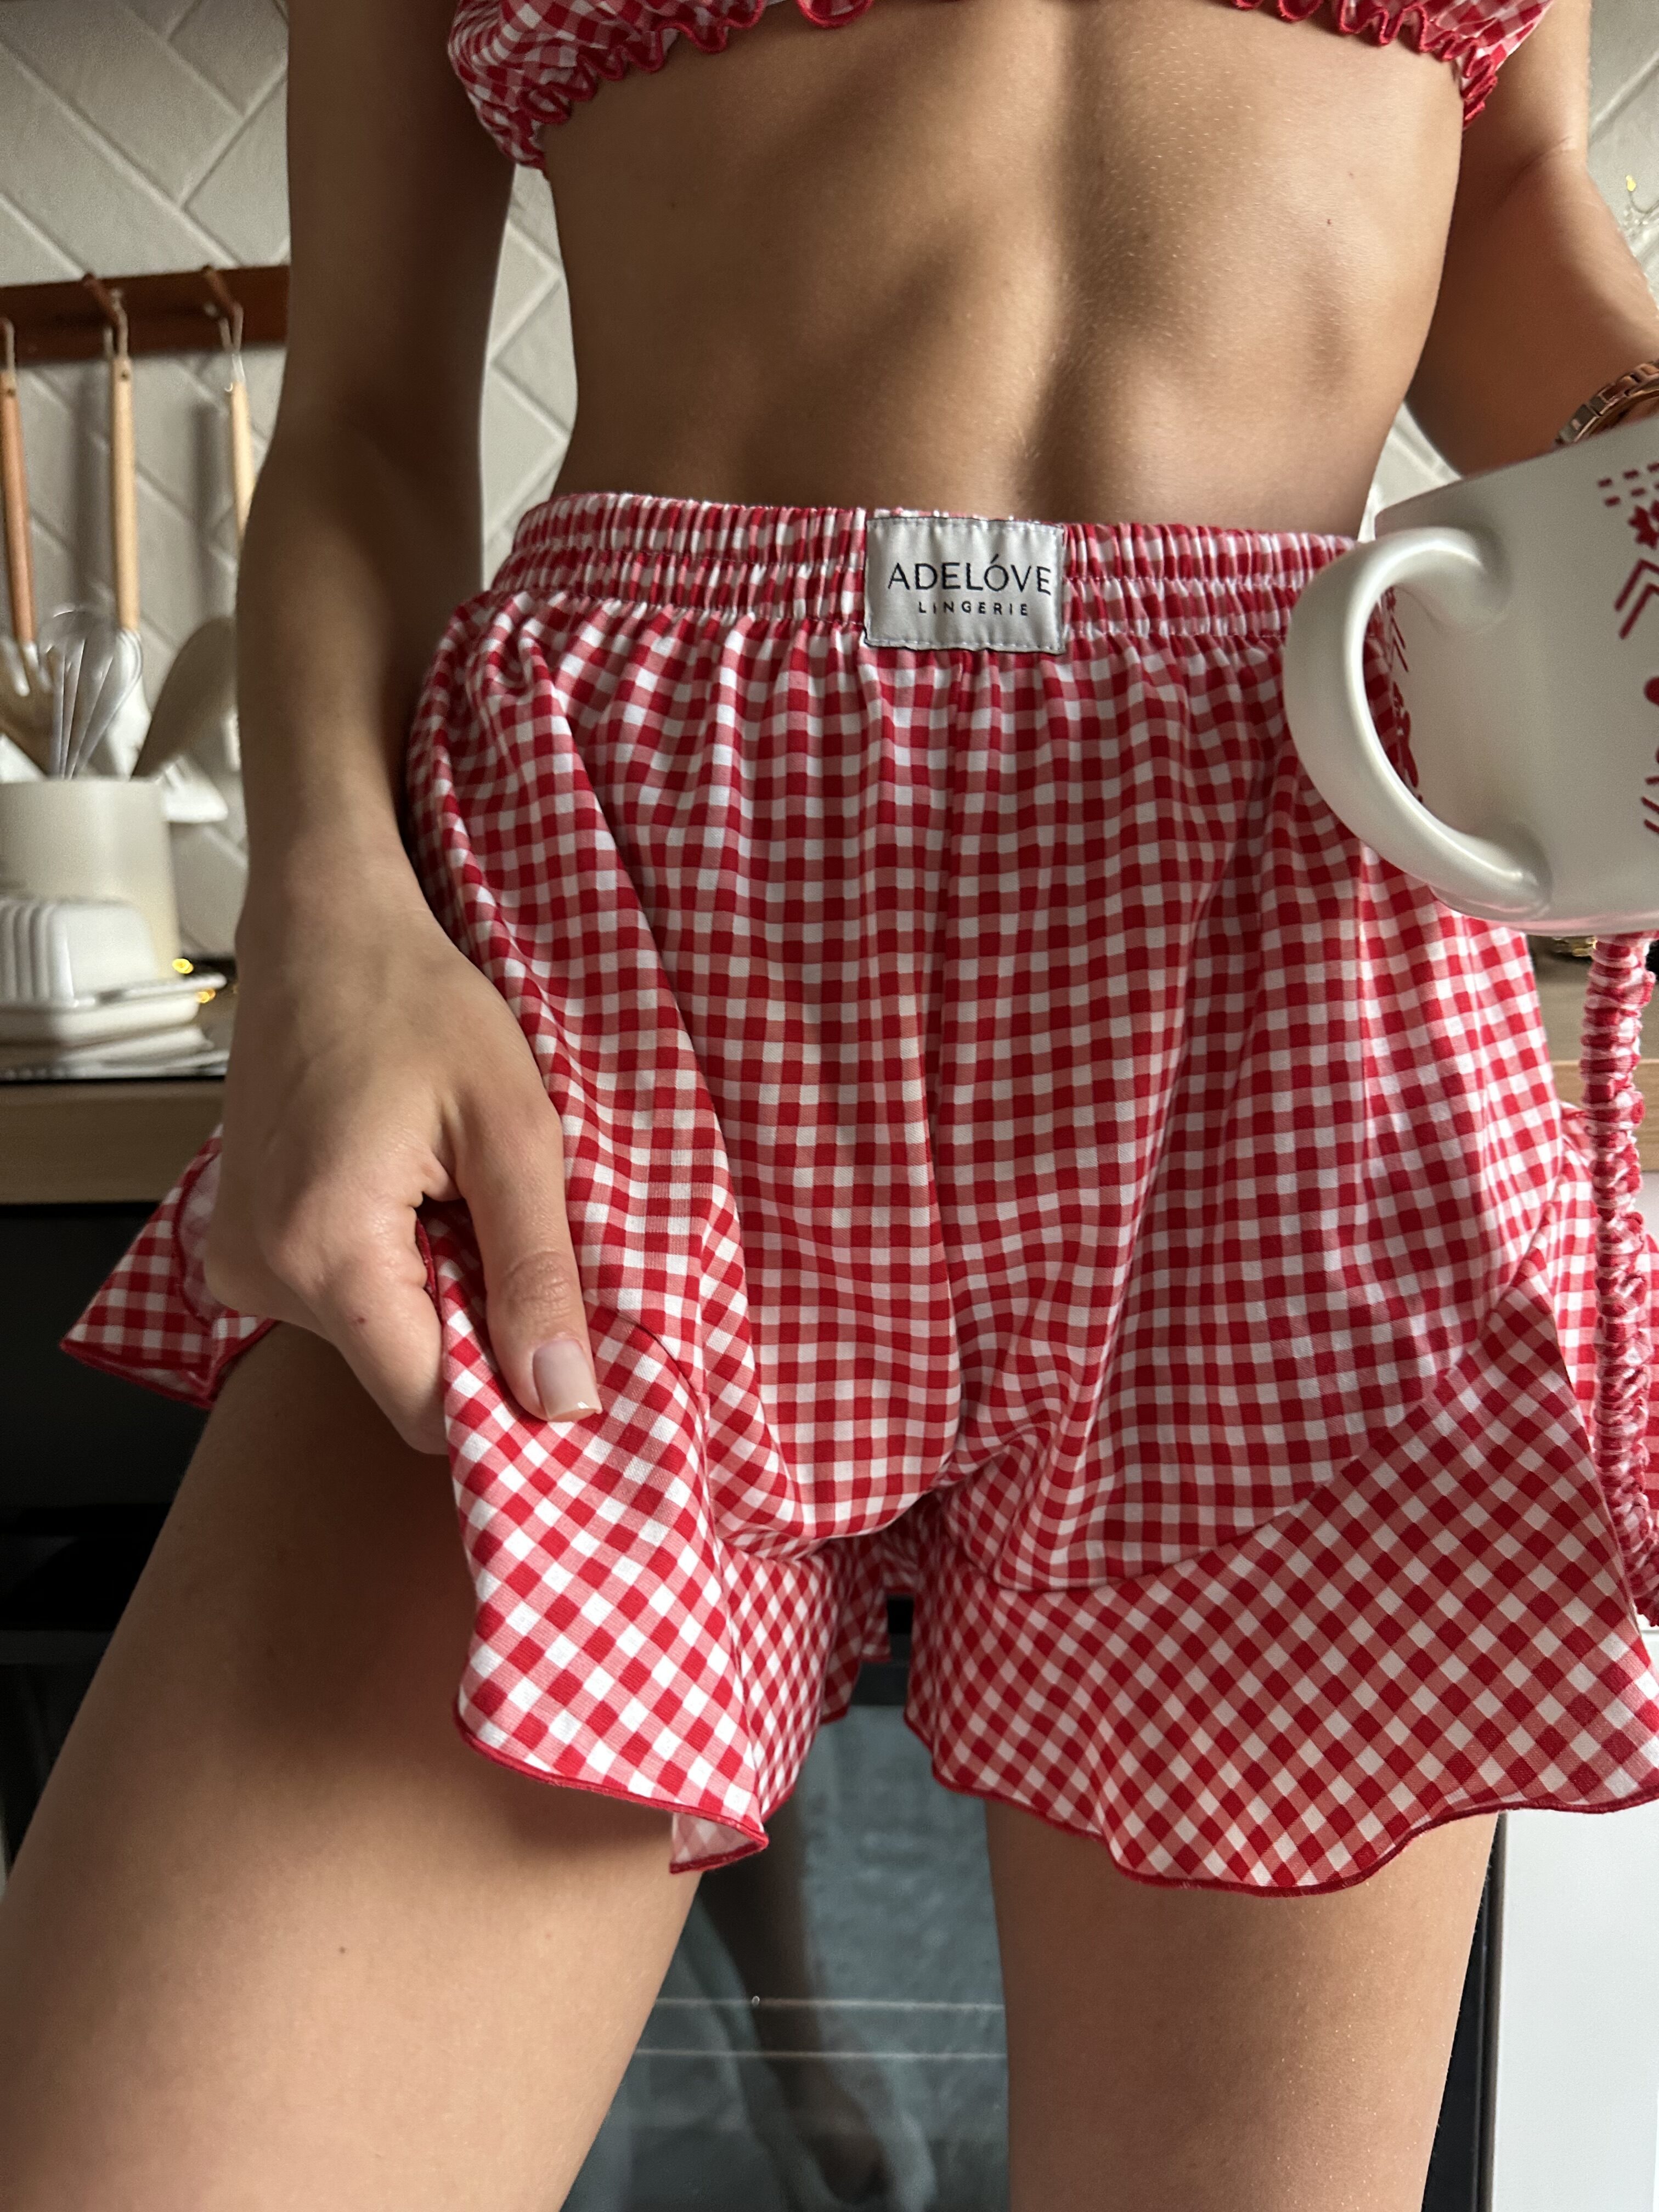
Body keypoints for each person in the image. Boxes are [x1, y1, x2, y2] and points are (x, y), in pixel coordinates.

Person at [4, 0, 1659, 2203]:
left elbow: (1514, 199)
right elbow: (377, 411)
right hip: (608, 941)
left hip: (1294, 940)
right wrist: (323, 908)